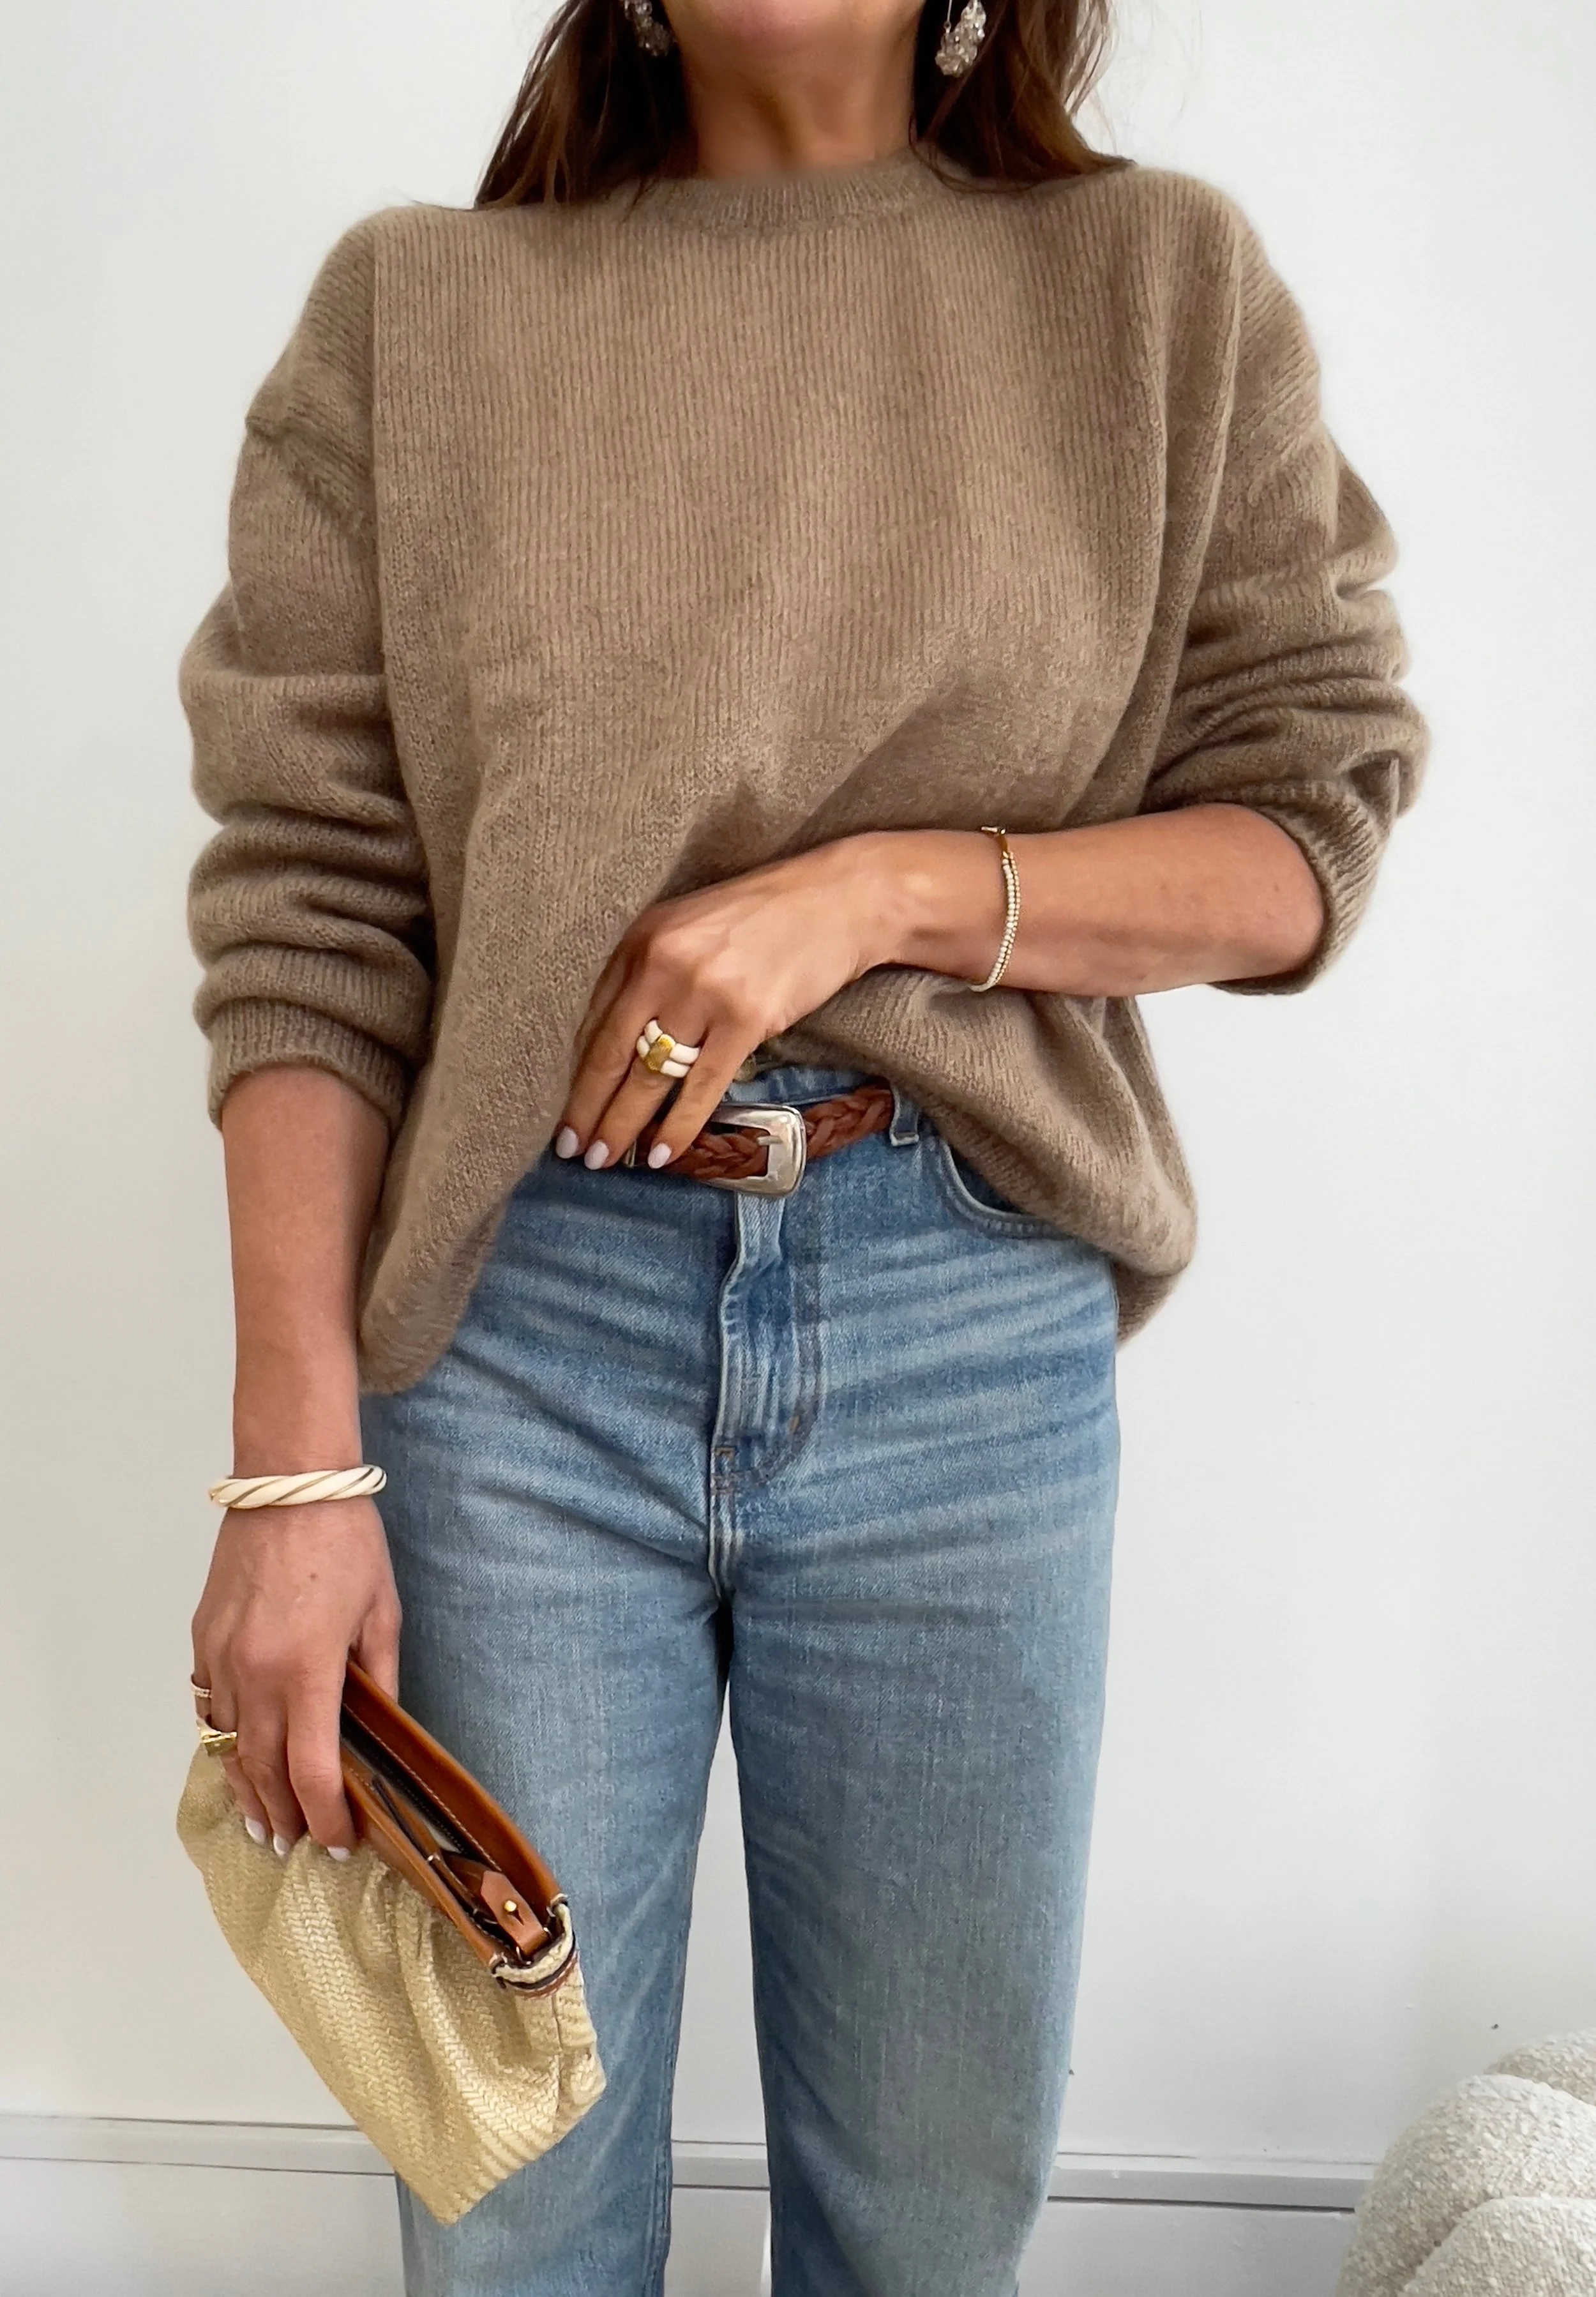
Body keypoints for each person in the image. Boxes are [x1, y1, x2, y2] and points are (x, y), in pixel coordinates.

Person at [180, 2, 1431, 2291]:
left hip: (964, 1318)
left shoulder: (1157, 290)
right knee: (507, 2211)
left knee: (931, 2229)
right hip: (517, 1333)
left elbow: (1302, 821)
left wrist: (887, 887)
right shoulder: (420, 314)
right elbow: (305, 910)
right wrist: (293, 1470)